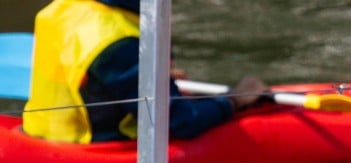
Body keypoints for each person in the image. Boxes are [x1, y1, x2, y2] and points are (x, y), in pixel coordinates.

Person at [23, 0, 266, 143]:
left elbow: (83, 71)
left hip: (38, 134)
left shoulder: (63, 8)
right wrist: (235, 99)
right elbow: (180, 121)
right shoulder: (119, 43)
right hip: (92, 148)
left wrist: (149, 77)